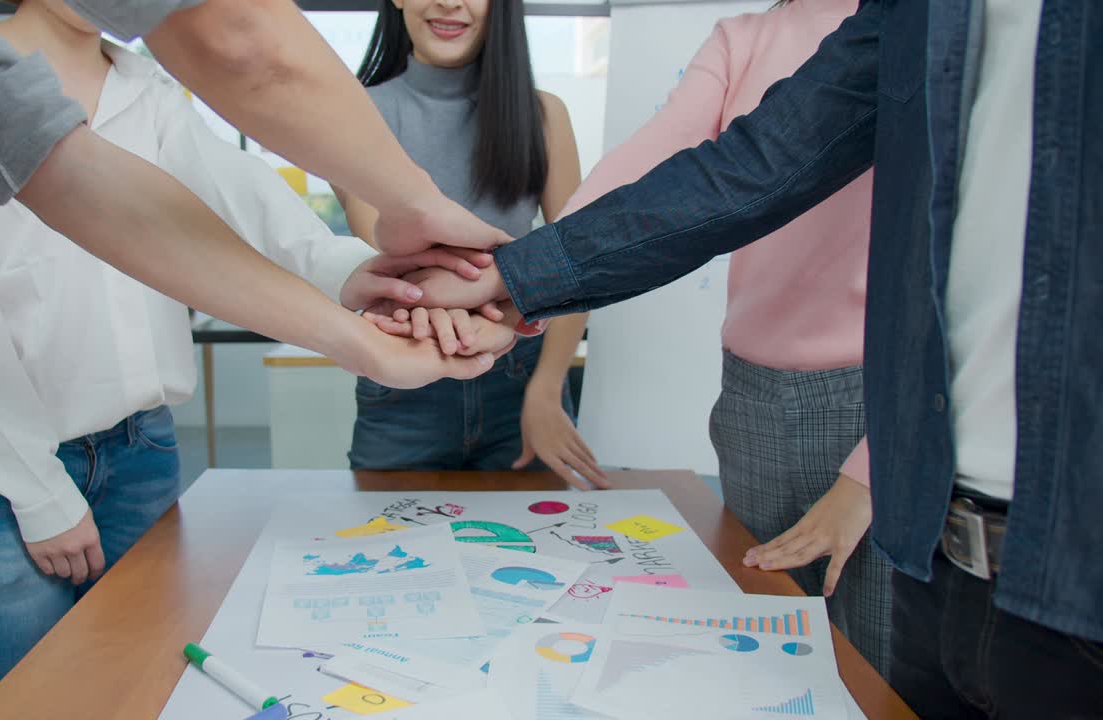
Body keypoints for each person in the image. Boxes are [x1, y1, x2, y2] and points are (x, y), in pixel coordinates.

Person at [401, 0, 1103, 715]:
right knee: (781, 671)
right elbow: (743, 168)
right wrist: (517, 282)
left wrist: (869, 467)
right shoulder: (908, 18)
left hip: (1026, 531)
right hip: (908, 520)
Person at [0, 0, 506, 714]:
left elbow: (254, 212)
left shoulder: (146, 91)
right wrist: (38, 490)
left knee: (144, 694)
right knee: (39, 704)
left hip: (138, 455)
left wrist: (358, 275)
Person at [551, 0, 890, 674]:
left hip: (877, 412)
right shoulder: (742, 38)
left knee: (875, 670)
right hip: (750, 405)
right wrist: (523, 279)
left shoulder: (916, 30)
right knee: (764, 660)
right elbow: (646, 166)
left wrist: (871, 471)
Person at [335, 0, 604, 487]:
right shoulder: (352, 115)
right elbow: (385, 248)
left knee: (532, 550)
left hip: (522, 380)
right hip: (401, 371)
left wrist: (546, 392)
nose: (449, 2)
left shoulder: (544, 116)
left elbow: (573, 264)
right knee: (388, 553)